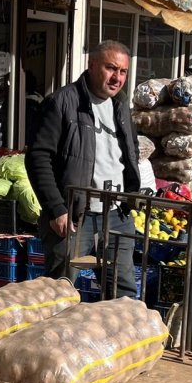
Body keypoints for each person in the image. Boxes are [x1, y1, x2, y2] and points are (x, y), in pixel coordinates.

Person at [27, 40, 141, 298]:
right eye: (111, 68)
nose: (117, 78)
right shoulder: (62, 102)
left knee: (123, 294)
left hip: (116, 214)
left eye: (123, 71)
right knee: (59, 292)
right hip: (75, 217)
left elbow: (129, 151)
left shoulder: (122, 106)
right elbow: (37, 158)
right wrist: (56, 209)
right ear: (91, 66)